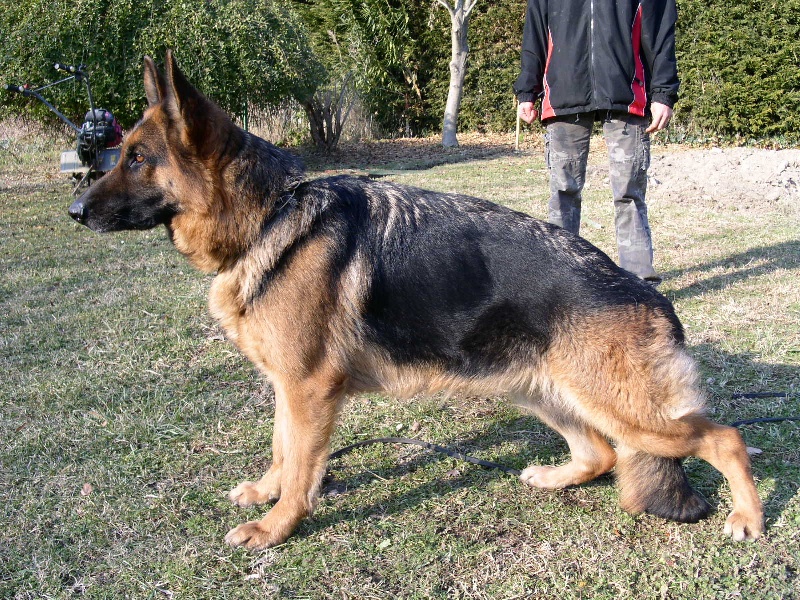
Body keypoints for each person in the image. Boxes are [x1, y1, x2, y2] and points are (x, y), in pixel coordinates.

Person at [514, 0, 679, 284]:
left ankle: (641, 283)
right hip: (565, 95)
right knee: (564, 191)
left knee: (629, 193)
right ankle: (560, 282)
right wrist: (527, 91)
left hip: (628, 96)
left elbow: (660, 30)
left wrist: (663, 94)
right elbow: (535, 34)